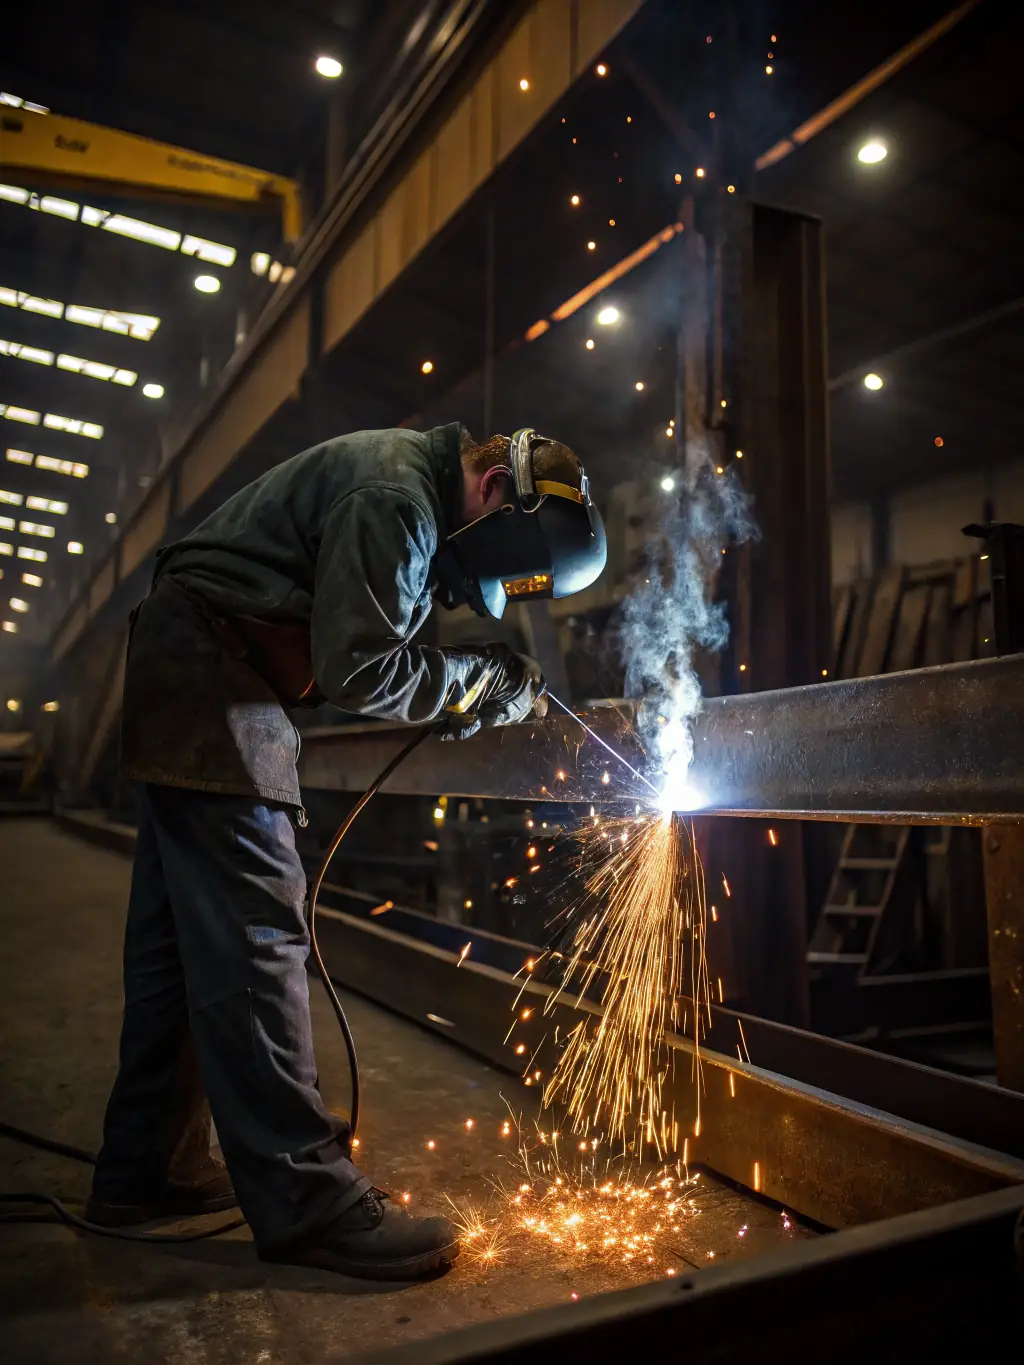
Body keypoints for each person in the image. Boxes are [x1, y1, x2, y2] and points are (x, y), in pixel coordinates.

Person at [86, 422, 606, 1280]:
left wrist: (468, 676)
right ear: (493, 498)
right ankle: (306, 1202)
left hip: (192, 663)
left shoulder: (401, 484)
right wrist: (481, 679)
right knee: (258, 932)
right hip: (213, 673)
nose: (466, 591)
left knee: (178, 946)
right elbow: (363, 667)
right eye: (489, 572)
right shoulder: (399, 500)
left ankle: (146, 1168)